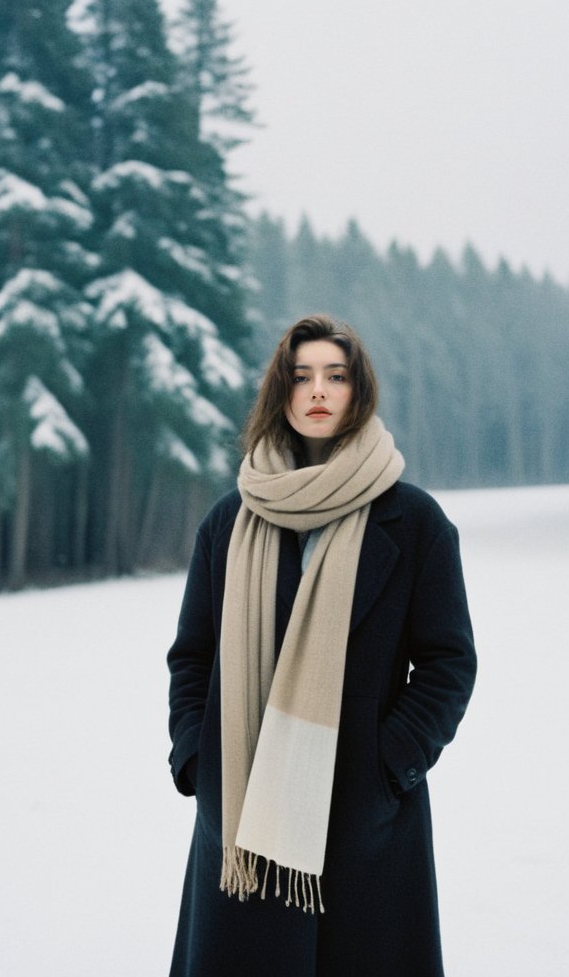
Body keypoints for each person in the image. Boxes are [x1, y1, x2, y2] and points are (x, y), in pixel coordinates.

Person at [167, 314, 477, 976]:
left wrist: (388, 764)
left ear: (357, 393)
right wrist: (197, 756)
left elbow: (450, 662)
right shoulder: (229, 522)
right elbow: (193, 654)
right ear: (280, 393)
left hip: (365, 831)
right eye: (301, 375)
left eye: (335, 376)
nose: (317, 390)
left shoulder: (414, 520)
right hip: (241, 825)